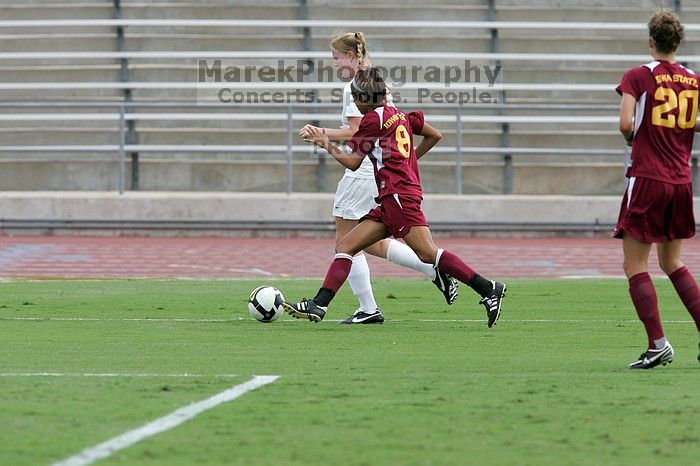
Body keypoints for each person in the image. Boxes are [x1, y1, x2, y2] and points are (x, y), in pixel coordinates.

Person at [285, 67, 507, 327]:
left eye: (357, 97)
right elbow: (435, 135)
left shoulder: (371, 121)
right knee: (346, 246)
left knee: (428, 253)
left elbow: (353, 162)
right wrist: (407, 163)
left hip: (398, 197)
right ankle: (319, 304)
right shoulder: (398, 115)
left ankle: (488, 288)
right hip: (391, 197)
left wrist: (324, 143)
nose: (355, 102)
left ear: (367, 99)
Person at [298, 32, 457, 325]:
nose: (334, 63)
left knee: (345, 240)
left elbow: (357, 132)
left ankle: (369, 307)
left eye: (336, 57)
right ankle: (430, 269)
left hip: (364, 169)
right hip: (380, 169)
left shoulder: (354, 87)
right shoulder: (374, 80)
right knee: (370, 242)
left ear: (350, 56)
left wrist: (322, 134)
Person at [616, 10, 700, 369]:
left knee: (635, 264)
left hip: (648, 178)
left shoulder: (638, 75)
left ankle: (658, 344)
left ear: (651, 41)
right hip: (681, 180)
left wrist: (638, 135)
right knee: (672, 261)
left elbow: (624, 123)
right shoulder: (694, 80)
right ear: (678, 43)